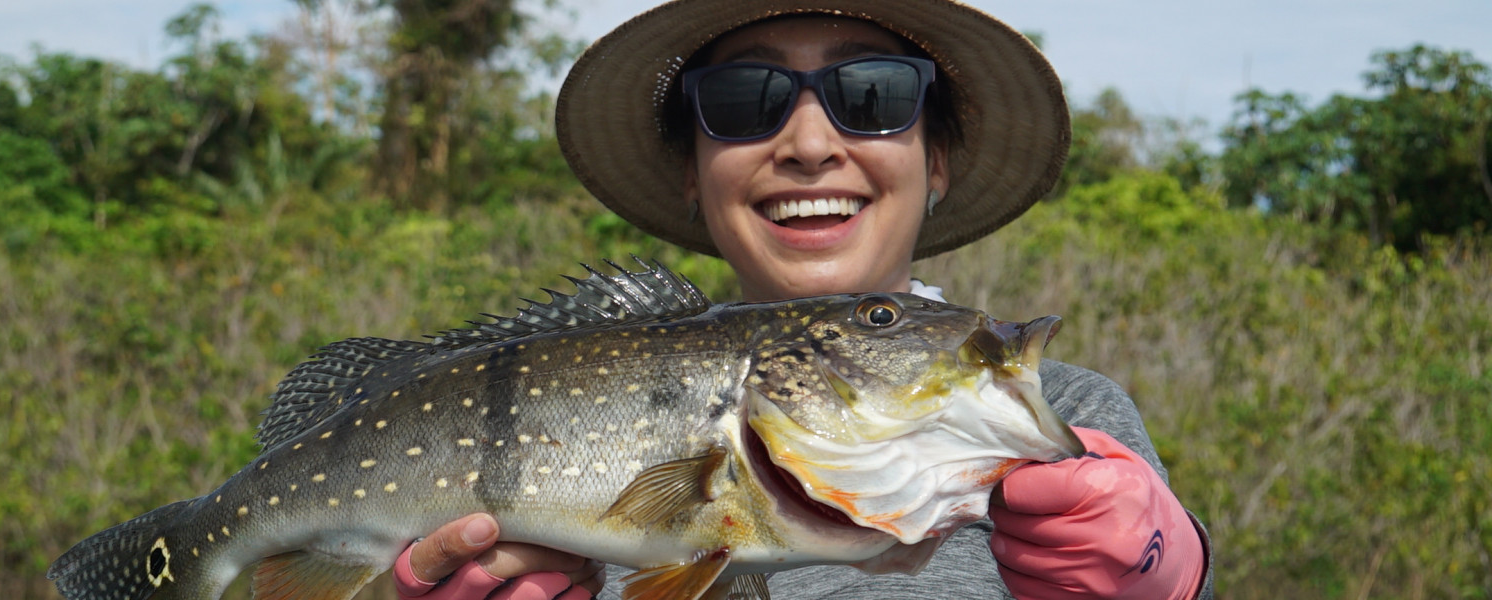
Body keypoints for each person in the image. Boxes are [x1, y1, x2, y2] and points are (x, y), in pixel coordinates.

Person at [388, 0, 1215, 598]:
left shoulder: (1073, 409)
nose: (811, 145)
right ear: (691, 169)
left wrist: (1171, 576)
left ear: (937, 162)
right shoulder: (545, 386)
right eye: (745, 100)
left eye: (875, 95)